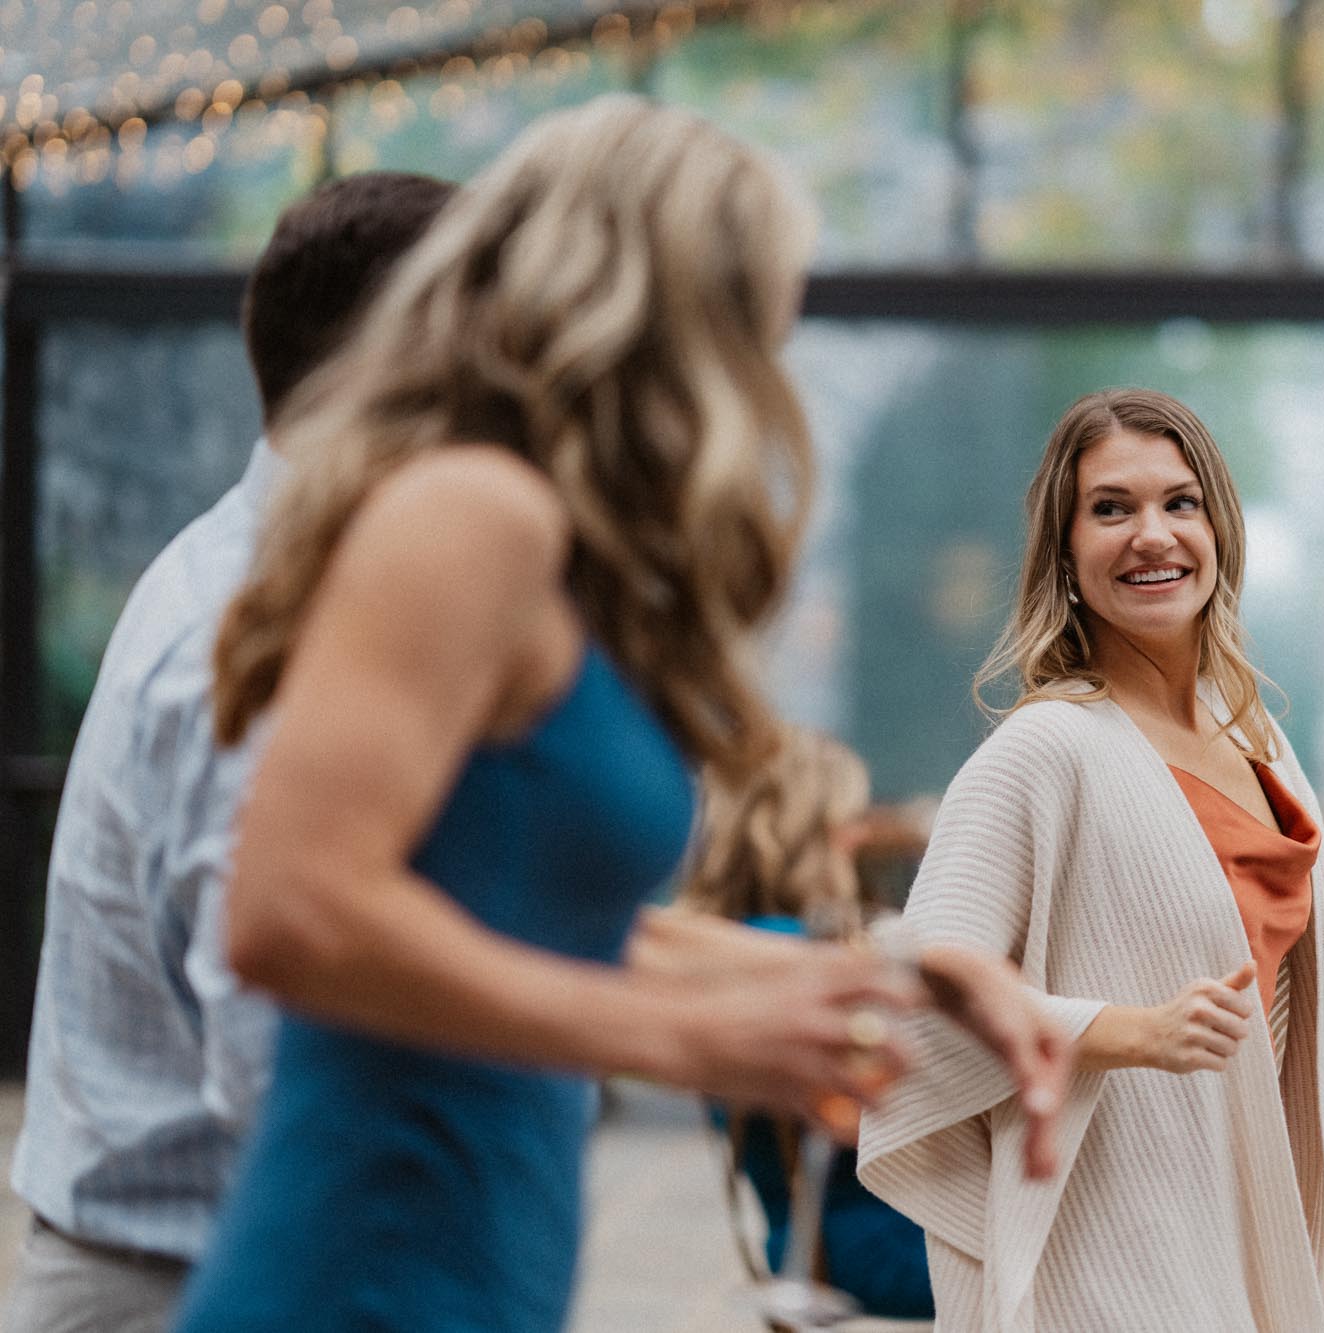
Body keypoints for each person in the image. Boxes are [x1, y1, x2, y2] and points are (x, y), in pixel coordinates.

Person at [169, 98, 1068, 1333]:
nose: (770, 370)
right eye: (757, 322)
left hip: (475, 1274)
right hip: (357, 1273)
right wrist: (684, 1039)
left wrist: (894, 972)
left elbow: (544, 923)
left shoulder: (554, 553)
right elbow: (291, 912)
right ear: (671, 314)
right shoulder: (471, 512)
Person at [859, 388, 1324, 1330]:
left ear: (1219, 530)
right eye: (1111, 508)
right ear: (1064, 553)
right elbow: (924, 997)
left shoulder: (1253, 738)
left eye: (1179, 502)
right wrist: (1131, 1032)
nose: (1152, 533)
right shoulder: (1042, 752)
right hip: (1110, 1255)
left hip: (1233, 1228)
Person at [4, 171, 456, 1333]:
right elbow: (285, 1068)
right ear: (395, 370)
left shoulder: (273, 588)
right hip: (197, 1288)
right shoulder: (253, 641)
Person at [675, 727, 934, 1320]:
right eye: (850, 821)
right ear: (811, 832)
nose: (862, 837)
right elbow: (880, 1116)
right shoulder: (800, 957)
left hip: (798, 1237)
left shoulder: (719, 944)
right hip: (869, 1244)